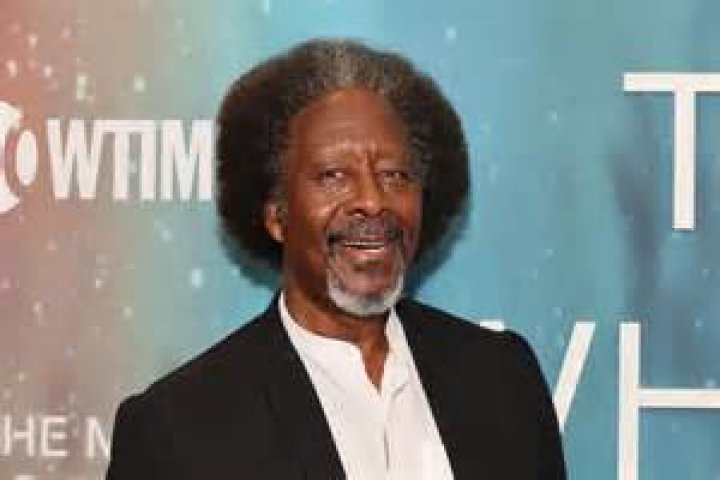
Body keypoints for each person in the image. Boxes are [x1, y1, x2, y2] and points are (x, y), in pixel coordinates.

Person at [106, 39, 566, 479]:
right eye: (334, 176)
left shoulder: (501, 378)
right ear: (276, 216)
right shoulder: (179, 429)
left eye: (394, 175)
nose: (372, 201)